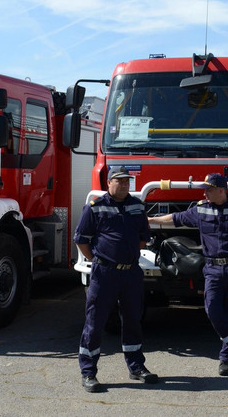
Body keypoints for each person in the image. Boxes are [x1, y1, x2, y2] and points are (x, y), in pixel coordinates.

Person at [148, 173, 228, 376]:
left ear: (221, 190)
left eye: (209, 189)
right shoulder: (201, 209)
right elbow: (175, 219)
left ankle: (227, 359)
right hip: (213, 268)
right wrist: (151, 219)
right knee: (213, 310)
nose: (204, 192)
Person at [74, 166, 158, 393]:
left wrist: (125, 257)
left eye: (126, 181)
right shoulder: (95, 207)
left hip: (131, 273)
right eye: (119, 181)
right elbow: (81, 239)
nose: (123, 185)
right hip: (105, 274)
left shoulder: (137, 206)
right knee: (95, 323)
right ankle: (89, 372)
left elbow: (143, 238)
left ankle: (136, 367)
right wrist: (99, 260)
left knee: (133, 320)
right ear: (109, 183)